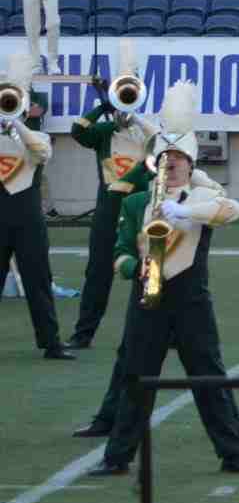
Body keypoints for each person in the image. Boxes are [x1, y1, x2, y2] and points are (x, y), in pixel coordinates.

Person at [86, 82, 239, 476]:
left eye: (180, 159)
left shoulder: (203, 197)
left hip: (190, 300)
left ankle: (234, 455)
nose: (172, 165)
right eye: (166, 158)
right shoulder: (136, 201)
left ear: (191, 164)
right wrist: (133, 269)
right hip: (147, 298)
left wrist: (186, 212)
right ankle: (117, 457)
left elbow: (232, 209)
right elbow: (120, 252)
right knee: (136, 379)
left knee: (208, 378)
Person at [66, 57, 159, 350]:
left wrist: (136, 118)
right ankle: (83, 334)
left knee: (152, 271)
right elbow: (78, 130)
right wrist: (102, 107)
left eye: (129, 99)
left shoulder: (146, 135)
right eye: (121, 99)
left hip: (140, 211)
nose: (124, 106)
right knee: (97, 274)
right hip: (107, 213)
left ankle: (163, 332)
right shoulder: (104, 133)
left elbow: (161, 143)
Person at [0, 52, 70, 359]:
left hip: (28, 221)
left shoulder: (36, 136)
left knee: (39, 281)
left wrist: (15, 122)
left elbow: (42, 152)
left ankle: (51, 343)